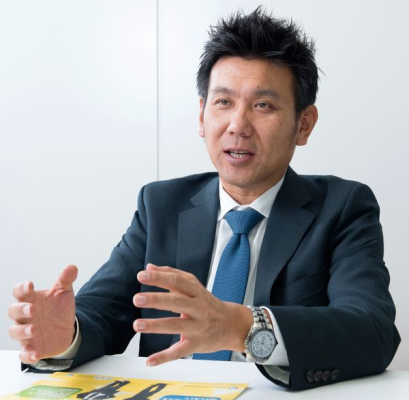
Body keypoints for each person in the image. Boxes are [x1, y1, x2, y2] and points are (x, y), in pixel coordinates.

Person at [7, 7, 400, 390]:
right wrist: (66, 335)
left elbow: (372, 330)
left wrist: (242, 327)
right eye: (223, 102)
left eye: (263, 105)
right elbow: (103, 311)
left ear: (304, 124)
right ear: (201, 116)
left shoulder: (342, 207)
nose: (238, 125)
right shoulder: (161, 205)